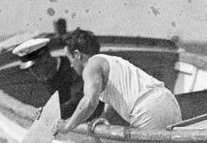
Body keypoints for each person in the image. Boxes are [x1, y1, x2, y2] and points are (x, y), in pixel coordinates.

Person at [52, 28, 182, 134]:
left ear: (77, 54)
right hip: (169, 102)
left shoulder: (90, 67)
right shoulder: (112, 61)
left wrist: (67, 126)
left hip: (148, 110)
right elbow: (115, 93)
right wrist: (104, 116)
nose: (70, 65)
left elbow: (90, 101)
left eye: (69, 59)